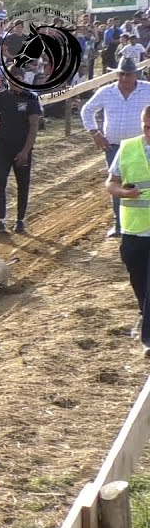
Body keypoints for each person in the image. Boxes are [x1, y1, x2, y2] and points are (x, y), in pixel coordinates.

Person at [81, 57, 150, 237]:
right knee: (117, 185)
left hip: (142, 146)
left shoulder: (147, 89)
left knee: (142, 184)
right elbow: (87, 110)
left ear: (136, 74)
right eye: (121, 74)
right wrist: (95, 134)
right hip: (114, 147)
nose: (125, 78)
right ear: (117, 74)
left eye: (129, 74)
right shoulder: (106, 92)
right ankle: (120, 224)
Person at [108, 105, 150, 355]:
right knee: (138, 280)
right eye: (146, 126)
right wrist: (124, 192)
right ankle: (144, 314)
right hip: (134, 230)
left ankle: (148, 339)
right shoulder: (128, 148)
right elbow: (111, 183)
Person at [0, 68, 42, 234]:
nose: (13, 83)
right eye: (10, 79)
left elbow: (34, 126)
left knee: (22, 184)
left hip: (22, 148)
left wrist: (25, 151)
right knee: (0, 181)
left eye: (17, 79)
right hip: (2, 147)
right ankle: (0, 220)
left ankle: (20, 219)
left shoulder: (30, 98)